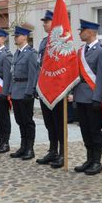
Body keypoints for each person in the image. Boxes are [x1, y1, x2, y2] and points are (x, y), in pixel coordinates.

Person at [72, 19, 102, 175]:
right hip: (80, 96)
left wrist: (98, 98)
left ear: (91, 32)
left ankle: (97, 161)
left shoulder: (101, 51)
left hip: (93, 97)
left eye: (82, 30)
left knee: (95, 130)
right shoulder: (80, 51)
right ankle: (89, 159)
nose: (80, 33)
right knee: (85, 130)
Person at [35, 10, 66, 168]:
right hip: (45, 87)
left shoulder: (62, 41)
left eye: (47, 21)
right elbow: (40, 66)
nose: (44, 24)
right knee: (49, 122)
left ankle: (62, 153)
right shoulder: (42, 42)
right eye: (44, 21)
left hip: (57, 88)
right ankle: (53, 150)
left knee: (58, 122)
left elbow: (65, 67)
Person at [9, 26, 38, 160]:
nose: (15, 37)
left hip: (25, 90)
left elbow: (33, 74)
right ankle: (23, 146)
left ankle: (30, 148)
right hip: (16, 90)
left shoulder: (31, 53)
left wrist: (29, 92)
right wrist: (10, 91)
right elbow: (12, 73)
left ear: (25, 37)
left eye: (18, 35)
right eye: (15, 36)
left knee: (27, 121)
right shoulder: (17, 53)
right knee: (19, 120)